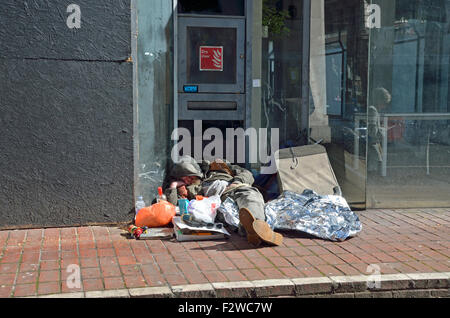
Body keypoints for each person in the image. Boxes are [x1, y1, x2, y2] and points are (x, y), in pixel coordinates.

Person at [163, 156, 283, 247]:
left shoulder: (218, 167)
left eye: (191, 176)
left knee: (250, 195)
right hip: (217, 204)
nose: (189, 180)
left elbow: (247, 173)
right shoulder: (185, 189)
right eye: (185, 179)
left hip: (235, 188)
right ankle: (251, 231)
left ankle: (257, 226)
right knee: (230, 216)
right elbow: (172, 205)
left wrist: (236, 182)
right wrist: (173, 186)